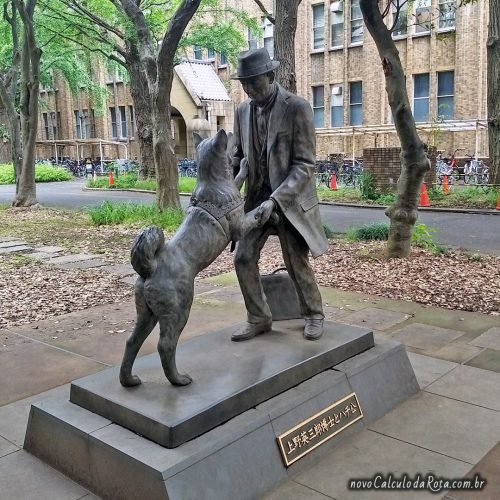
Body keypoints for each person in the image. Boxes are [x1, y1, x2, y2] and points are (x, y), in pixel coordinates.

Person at [230, 48, 328, 342]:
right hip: (255, 199)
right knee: (243, 257)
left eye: (254, 82)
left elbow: (305, 165)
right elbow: (235, 156)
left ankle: (314, 314)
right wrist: (230, 185)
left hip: (288, 202)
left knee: (295, 260)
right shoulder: (242, 111)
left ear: (271, 76)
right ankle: (258, 317)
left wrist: (276, 200)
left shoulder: (297, 107)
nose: (249, 89)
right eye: (244, 84)